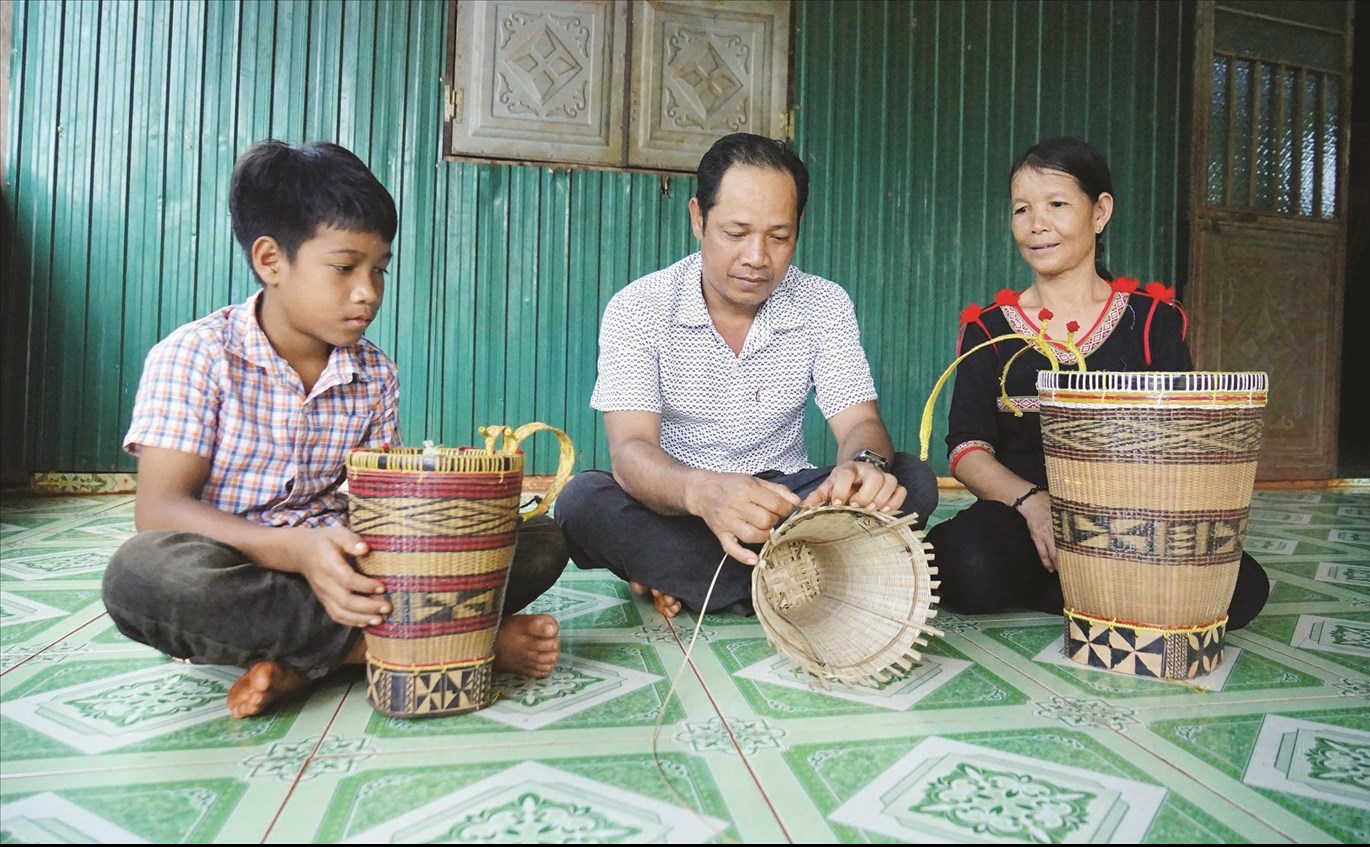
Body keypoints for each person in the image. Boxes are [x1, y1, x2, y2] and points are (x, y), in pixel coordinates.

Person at [101, 140, 570, 719]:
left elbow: (373, 506)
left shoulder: (373, 372)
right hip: (245, 573)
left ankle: (303, 662)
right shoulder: (196, 355)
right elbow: (160, 511)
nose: (368, 291)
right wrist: (294, 551)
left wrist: (435, 515)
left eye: (379, 270)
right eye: (345, 268)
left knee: (538, 536)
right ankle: (406, 646)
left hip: (350, 567)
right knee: (141, 575)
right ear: (271, 260)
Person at [553, 132, 938, 619]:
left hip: (789, 505)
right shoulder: (639, 308)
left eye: (779, 237)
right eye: (736, 233)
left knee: (910, 479)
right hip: (682, 507)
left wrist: (864, 467)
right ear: (698, 218)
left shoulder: (823, 303)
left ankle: (688, 578)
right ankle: (802, 575)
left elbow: (861, 423)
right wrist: (703, 492)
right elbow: (631, 454)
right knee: (580, 504)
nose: (757, 257)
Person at [925, 136, 1269, 629]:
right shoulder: (989, 329)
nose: (1036, 225)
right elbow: (967, 449)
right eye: (1022, 210)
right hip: (1026, 518)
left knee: (1242, 591)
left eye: (1057, 205)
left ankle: (1076, 585)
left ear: (1100, 211)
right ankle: (1101, 591)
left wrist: (1133, 526)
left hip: (1134, 524)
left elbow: (1180, 445)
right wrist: (1031, 503)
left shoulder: (1153, 323)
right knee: (962, 564)